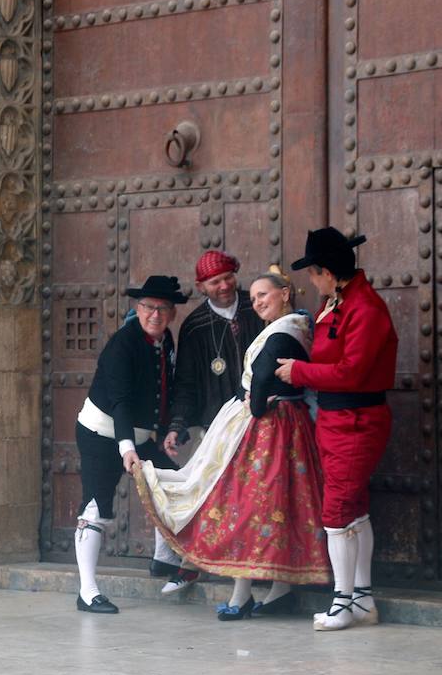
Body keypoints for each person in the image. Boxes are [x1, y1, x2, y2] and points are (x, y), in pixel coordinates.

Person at [137, 269, 330, 620]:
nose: (257, 303)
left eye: (263, 296)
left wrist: (253, 405)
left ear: (285, 293)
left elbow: (259, 393)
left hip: (268, 430)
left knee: (247, 506)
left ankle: (243, 594)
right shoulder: (296, 328)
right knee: (276, 508)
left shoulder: (280, 334)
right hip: (287, 428)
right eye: (253, 298)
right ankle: (278, 589)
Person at [276, 227, 397, 632]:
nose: (311, 282)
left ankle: (343, 602)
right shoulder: (339, 300)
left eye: (313, 273)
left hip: (356, 421)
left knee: (336, 514)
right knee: (354, 510)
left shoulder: (366, 309)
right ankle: (360, 598)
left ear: (327, 272)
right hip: (337, 420)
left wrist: (299, 372)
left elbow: (352, 372)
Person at [73, 275, 188, 614]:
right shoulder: (122, 344)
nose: (156, 315)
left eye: (164, 308)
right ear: (138, 309)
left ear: (172, 313)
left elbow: (161, 392)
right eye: (150, 307)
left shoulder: (165, 341)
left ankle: (165, 560)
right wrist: (127, 449)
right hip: (100, 434)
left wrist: (167, 432)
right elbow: (121, 400)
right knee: (96, 508)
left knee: (172, 484)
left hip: (136, 437)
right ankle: (88, 591)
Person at [158, 250, 265, 594]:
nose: (223, 286)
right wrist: (177, 425)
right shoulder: (195, 326)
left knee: (257, 495)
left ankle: (265, 569)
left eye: (227, 278)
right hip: (214, 426)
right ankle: (191, 565)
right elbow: (186, 383)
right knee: (207, 494)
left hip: (259, 419)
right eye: (214, 282)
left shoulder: (257, 307)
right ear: (200, 286)